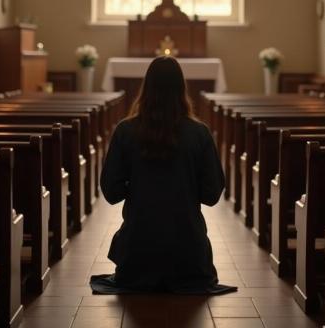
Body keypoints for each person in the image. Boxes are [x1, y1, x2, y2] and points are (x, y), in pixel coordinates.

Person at [90, 56, 235, 295]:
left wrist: (138, 187)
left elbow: (111, 191)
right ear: (181, 89)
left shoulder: (126, 130)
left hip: (137, 255)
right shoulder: (199, 133)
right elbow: (212, 194)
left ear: (146, 87)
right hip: (189, 257)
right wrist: (184, 188)